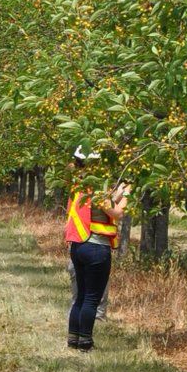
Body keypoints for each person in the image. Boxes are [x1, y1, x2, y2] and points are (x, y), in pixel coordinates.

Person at [65, 150, 128, 352]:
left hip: (78, 246)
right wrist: (126, 196)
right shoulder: (97, 187)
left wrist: (117, 193)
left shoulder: (77, 184)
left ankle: (73, 339)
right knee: (92, 297)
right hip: (96, 247)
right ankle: (86, 342)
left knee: (81, 296)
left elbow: (105, 202)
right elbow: (116, 213)